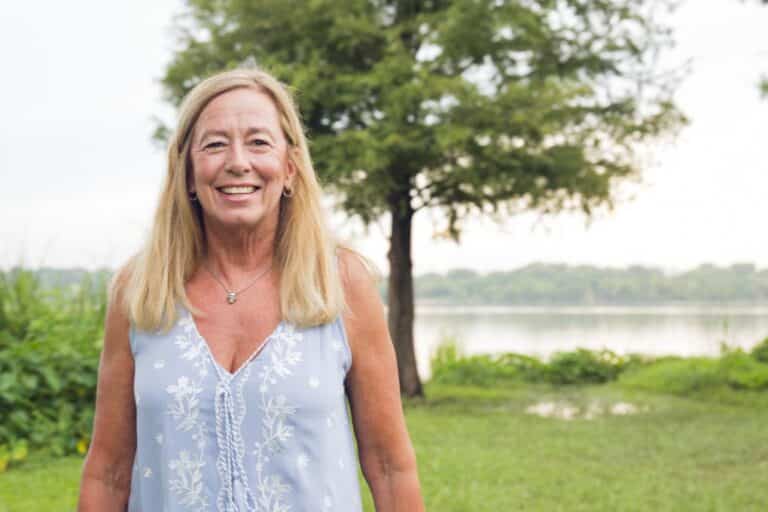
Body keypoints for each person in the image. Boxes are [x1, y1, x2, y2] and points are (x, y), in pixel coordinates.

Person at [77, 67, 425, 511]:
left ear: (290, 168)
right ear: (187, 171)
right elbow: (108, 472)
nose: (237, 162)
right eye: (215, 144)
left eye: (259, 142)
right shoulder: (139, 291)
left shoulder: (342, 283)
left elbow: (390, 465)